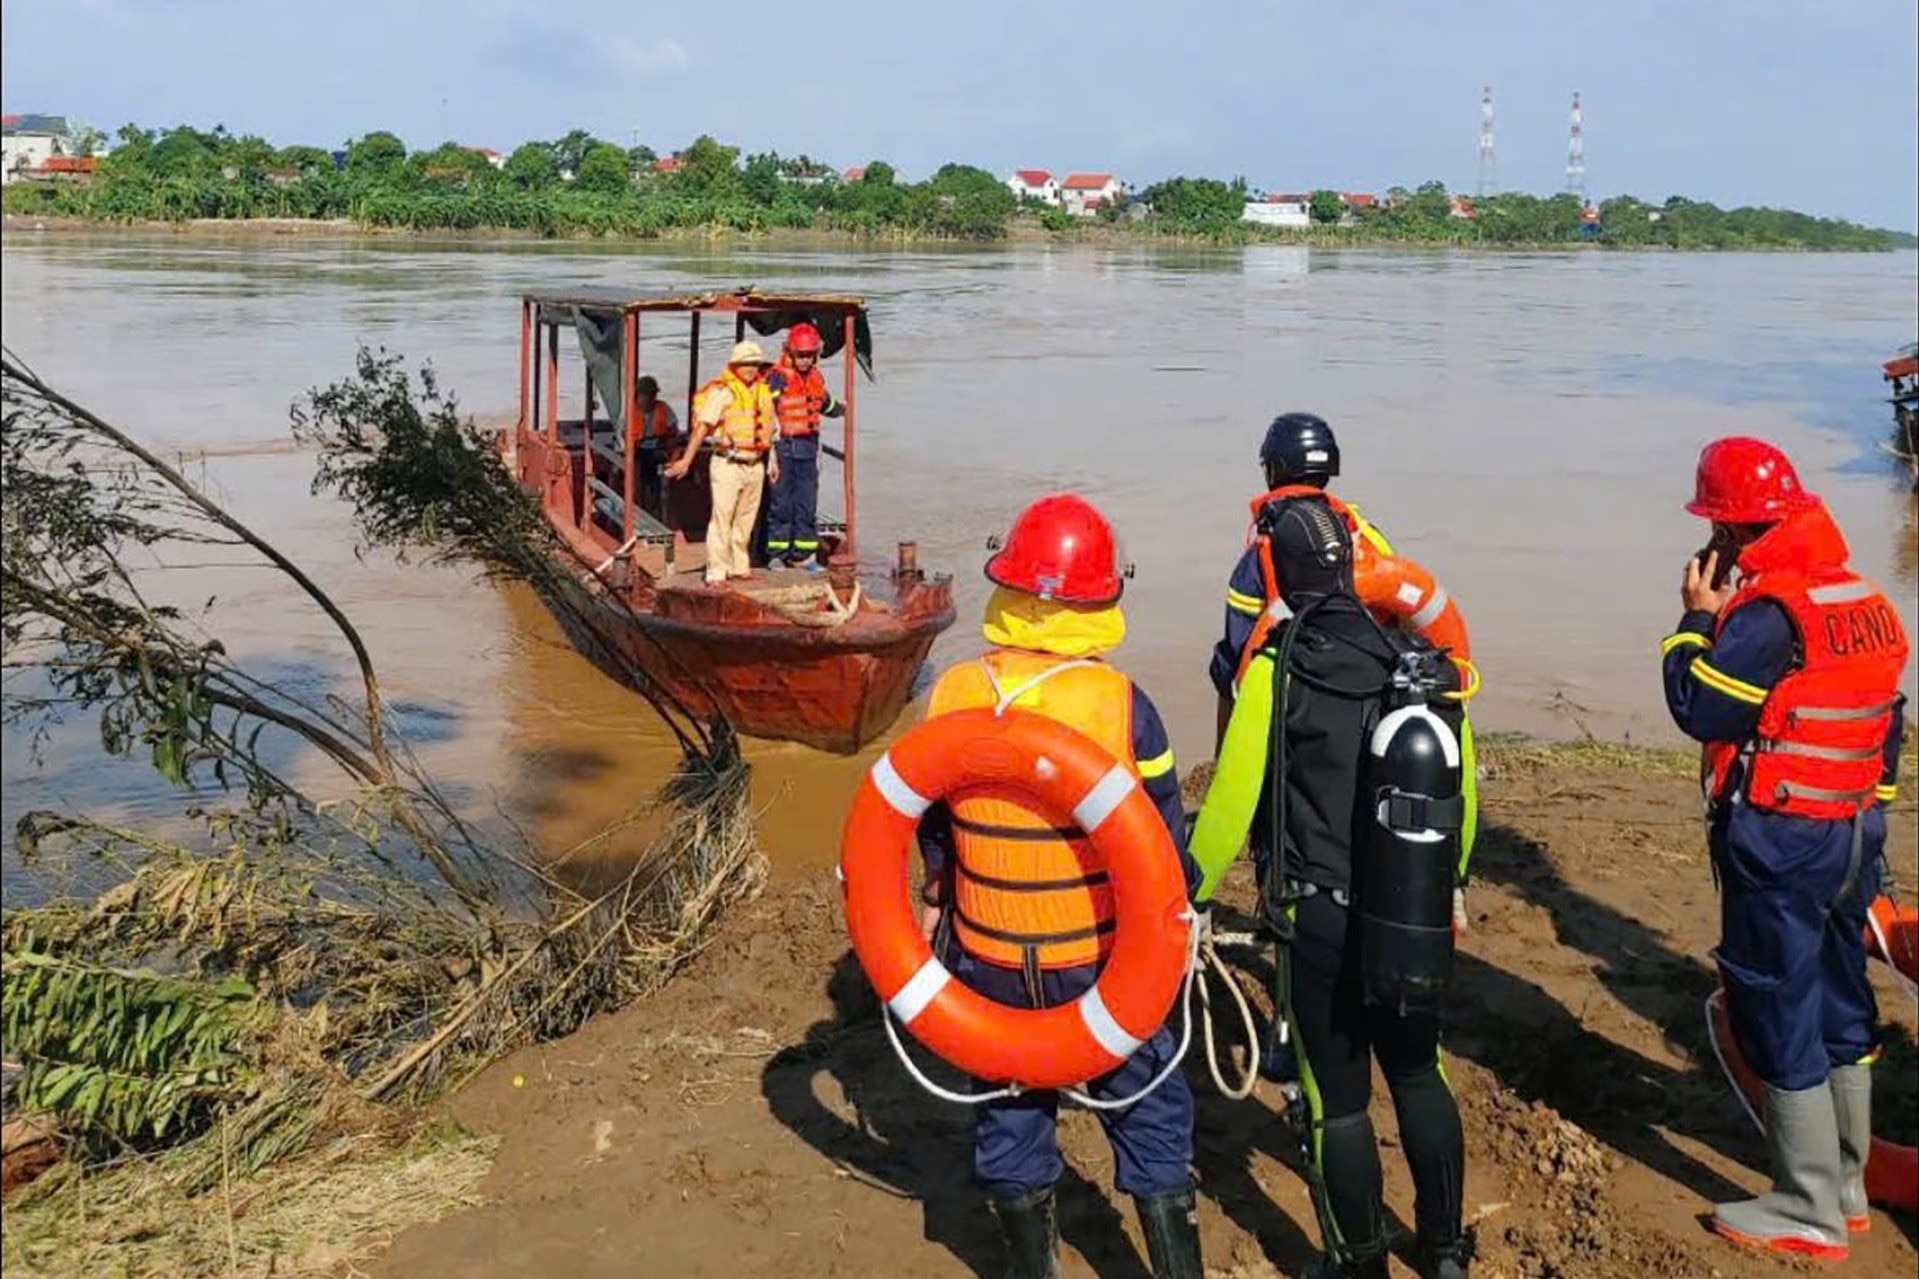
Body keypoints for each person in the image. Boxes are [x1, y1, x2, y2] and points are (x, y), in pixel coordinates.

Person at [916, 493, 1204, 1279]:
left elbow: (926, 821)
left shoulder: (952, 694)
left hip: (991, 960)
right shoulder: (1121, 706)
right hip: (1103, 962)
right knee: (1148, 1104)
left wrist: (940, 882)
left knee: (1009, 1111)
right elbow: (1164, 844)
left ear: (1007, 587)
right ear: (1103, 595)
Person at [1198, 492, 1473, 1279]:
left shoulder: (1277, 671)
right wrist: (1448, 882)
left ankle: (1359, 1263)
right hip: (1410, 911)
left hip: (1316, 915)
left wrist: (1186, 890)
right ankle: (1446, 1247)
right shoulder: (1418, 665)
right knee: (1420, 1070)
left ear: (1279, 577)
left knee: (1338, 1102)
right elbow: (1464, 792)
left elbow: (1229, 805)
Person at [1662, 436, 1908, 1261]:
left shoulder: (1768, 616)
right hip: (1851, 835)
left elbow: (1700, 708)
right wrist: (1869, 816)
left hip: (1781, 838)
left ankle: (1804, 1205)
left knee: (1776, 1004)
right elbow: (1887, 721)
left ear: (1730, 532)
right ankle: (1843, 1183)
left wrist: (1694, 619)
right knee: (1843, 1000)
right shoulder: (1860, 595)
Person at [1212, 413, 1475, 743]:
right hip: (1370, 693)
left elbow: (1236, 663)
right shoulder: (1367, 536)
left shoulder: (1261, 555)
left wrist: (1226, 748)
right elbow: (1405, 610)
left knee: (1223, 666)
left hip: (1303, 697)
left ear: (1273, 468)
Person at [666, 340, 779, 586]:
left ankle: (740, 566)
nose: (751, 368)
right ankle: (716, 571)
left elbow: (769, 431)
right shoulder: (723, 393)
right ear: (735, 365)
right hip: (728, 463)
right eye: (746, 364)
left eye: (754, 364)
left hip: (755, 464)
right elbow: (702, 429)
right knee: (722, 519)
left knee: (746, 520)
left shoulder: (763, 392)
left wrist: (772, 461)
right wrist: (686, 460)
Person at [763, 322, 844, 568]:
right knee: (781, 504)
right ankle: (777, 555)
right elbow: (765, 409)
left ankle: (803, 555)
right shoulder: (777, 376)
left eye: (810, 355)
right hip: (783, 447)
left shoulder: (816, 378)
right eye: (801, 355)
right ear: (790, 352)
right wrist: (770, 454)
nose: (805, 360)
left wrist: (843, 409)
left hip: (808, 447)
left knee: (806, 503)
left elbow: (825, 405)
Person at [632, 374, 680, 518]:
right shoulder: (630, 410)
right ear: (638, 395)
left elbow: (673, 429)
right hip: (638, 450)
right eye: (645, 395)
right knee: (639, 472)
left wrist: (665, 442)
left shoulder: (663, 408)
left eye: (652, 395)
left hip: (659, 449)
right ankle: (641, 505)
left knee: (655, 471)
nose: (649, 399)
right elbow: (623, 433)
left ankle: (656, 507)